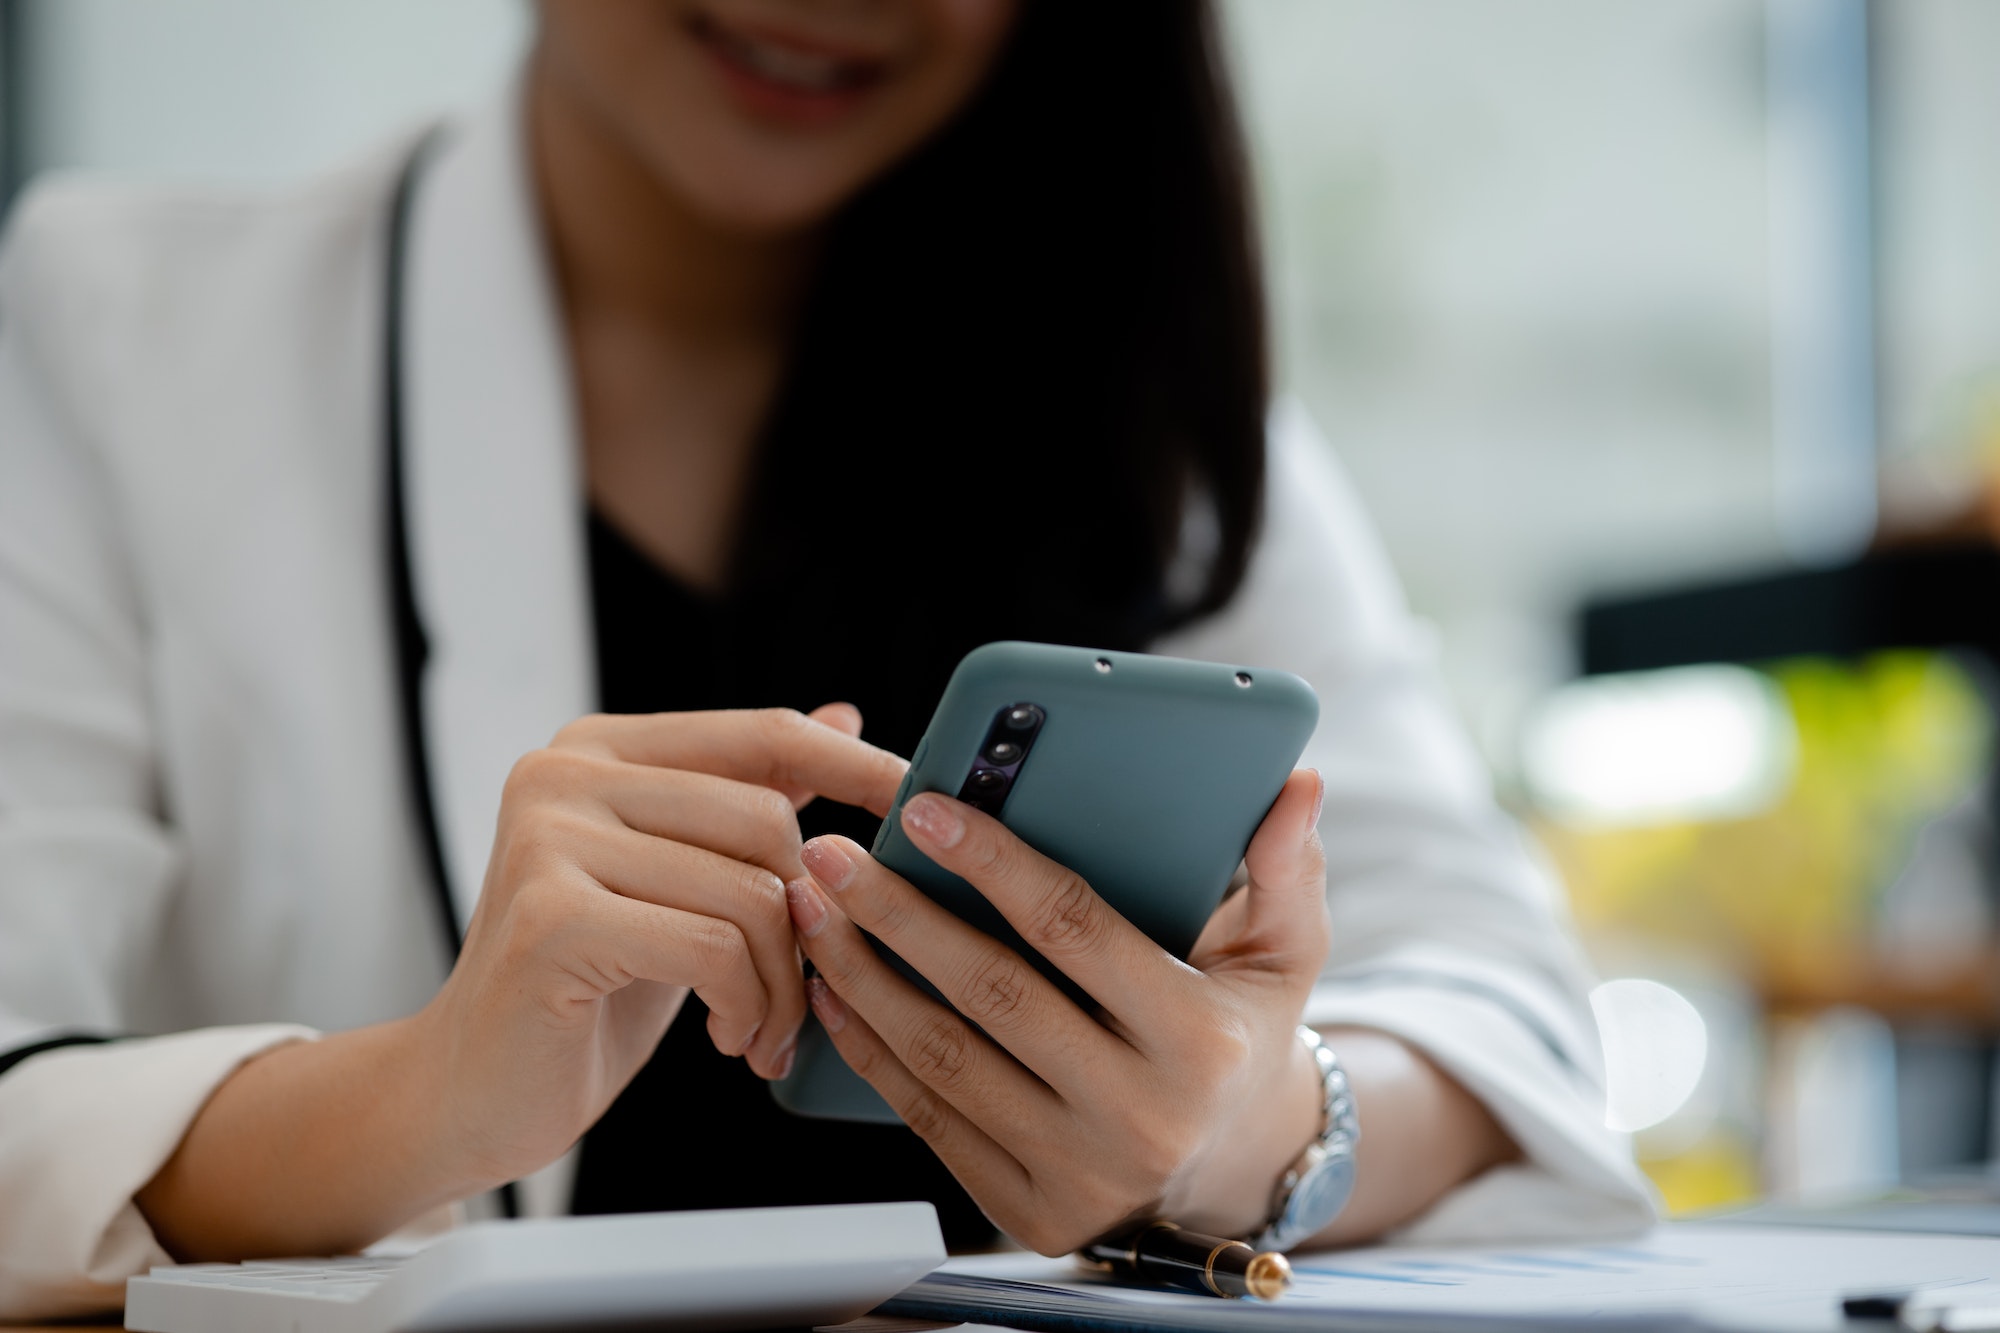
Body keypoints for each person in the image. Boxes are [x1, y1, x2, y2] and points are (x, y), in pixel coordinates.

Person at [0, 0, 1653, 1319]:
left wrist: (1247, 1131)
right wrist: (423, 1095)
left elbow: (1504, 1011)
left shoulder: (1146, 385)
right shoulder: (120, 327)